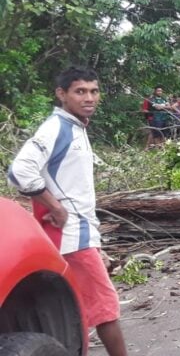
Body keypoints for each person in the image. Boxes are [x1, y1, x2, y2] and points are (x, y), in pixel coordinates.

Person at [6, 66, 128, 356]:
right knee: (105, 307)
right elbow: (20, 171)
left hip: (80, 235)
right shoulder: (56, 128)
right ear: (62, 94)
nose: (89, 98)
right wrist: (55, 207)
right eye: (80, 91)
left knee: (84, 308)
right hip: (71, 236)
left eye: (94, 91)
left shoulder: (75, 127)